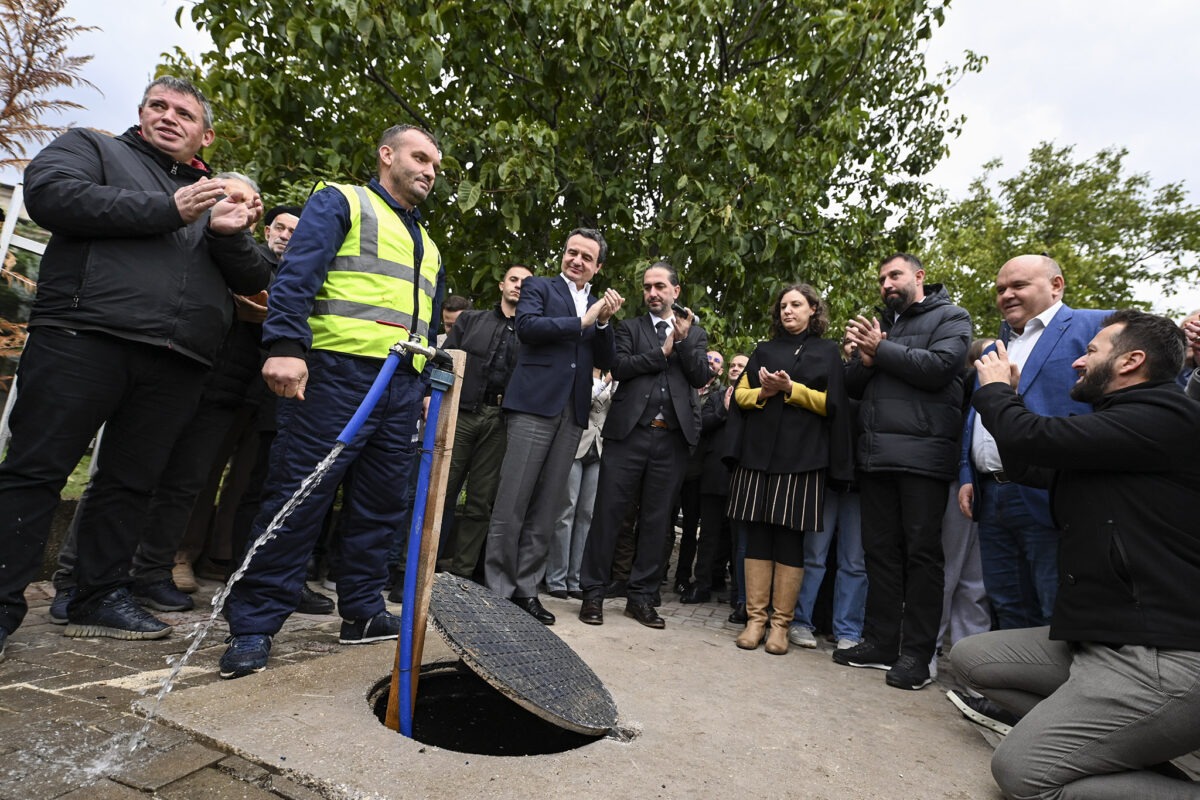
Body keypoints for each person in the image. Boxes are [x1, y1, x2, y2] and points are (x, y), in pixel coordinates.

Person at [0, 76, 269, 651]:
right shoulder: (93, 148)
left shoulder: (210, 194)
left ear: (206, 136)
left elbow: (252, 278)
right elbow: (52, 196)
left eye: (185, 114)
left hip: (178, 358)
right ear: (142, 113)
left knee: (130, 484)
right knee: (35, 470)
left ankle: (96, 596)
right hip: (84, 335)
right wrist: (169, 209)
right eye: (158, 106)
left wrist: (226, 235)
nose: (169, 117)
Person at [219, 124, 446, 678]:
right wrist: (286, 345)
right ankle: (253, 623)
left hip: (402, 385)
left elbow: (429, 323)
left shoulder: (429, 243)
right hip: (336, 375)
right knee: (299, 496)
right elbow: (297, 275)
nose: (430, 171)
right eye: (420, 158)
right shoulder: (342, 202)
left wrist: (422, 389)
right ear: (386, 154)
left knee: (380, 505)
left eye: (436, 166)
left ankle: (362, 612)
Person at [950, 310, 1200, 799]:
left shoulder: (1168, 418)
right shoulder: (1120, 427)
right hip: (1103, 640)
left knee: (1022, 776)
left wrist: (996, 391)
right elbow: (1031, 464)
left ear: (1131, 361)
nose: (1077, 362)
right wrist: (1009, 400)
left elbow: (1034, 437)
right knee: (973, 659)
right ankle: (1119, 751)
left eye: (1090, 351)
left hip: (1163, 657)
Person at [835, 253, 971, 689]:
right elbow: (851, 388)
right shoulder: (881, 326)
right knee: (879, 554)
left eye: (894, 275)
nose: (886, 284)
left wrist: (881, 350)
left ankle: (917, 653)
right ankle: (880, 642)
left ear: (919, 276)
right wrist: (863, 361)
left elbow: (940, 368)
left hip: (923, 458)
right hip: (876, 457)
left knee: (922, 558)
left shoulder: (952, 317)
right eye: (881, 279)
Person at [957, 255, 1110, 629]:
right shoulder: (996, 347)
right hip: (990, 494)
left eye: (1018, 285)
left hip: (1052, 493)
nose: (1006, 295)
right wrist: (967, 472)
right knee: (1006, 604)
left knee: (1054, 607)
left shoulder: (1096, 327)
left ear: (1056, 285)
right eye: (1000, 289)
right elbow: (976, 415)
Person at [483, 230, 623, 625]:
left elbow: (608, 359)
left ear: (598, 267)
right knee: (512, 502)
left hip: (573, 413)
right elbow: (528, 328)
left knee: (547, 508)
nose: (576, 260)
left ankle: (527, 590)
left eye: (586, 257)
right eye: (571, 252)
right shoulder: (539, 287)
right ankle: (498, 592)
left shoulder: (597, 305)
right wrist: (582, 321)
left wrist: (602, 324)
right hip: (533, 404)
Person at [577, 262, 710, 628]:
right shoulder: (630, 328)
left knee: (657, 520)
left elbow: (700, 375)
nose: (652, 292)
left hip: (672, 440)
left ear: (675, 292)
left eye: (660, 286)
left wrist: (681, 342)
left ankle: (641, 597)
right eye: (647, 287)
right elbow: (618, 367)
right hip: (628, 435)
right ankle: (593, 593)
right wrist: (662, 353)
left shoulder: (695, 334)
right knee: (608, 514)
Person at [724, 284, 852, 654]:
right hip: (757, 456)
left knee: (790, 541)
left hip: (803, 458)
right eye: (783, 305)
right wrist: (764, 393)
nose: (788, 311)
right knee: (757, 537)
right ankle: (755, 621)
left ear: (813, 309)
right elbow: (740, 395)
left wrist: (791, 388)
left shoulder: (827, 352)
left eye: (796, 304)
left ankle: (780, 626)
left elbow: (833, 405)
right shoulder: (764, 349)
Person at [441, 265, 533, 580]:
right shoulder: (470, 320)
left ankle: (462, 575)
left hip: (500, 421)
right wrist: (431, 398)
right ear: (501, 285)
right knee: (441, 492)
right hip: (462, 413)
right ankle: (412, 570)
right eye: (513, 279)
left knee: (480, 502)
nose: (518, 285)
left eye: (525, 282)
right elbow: (444, 360)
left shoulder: (532, 333)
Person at [788, 338, 867, 652]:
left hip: (861, 482)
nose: (853, 347)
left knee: (854, 561)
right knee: (813, 555)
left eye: (859, 342)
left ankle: (848, 630)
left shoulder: (878, 380)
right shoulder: (831, 376)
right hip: (828, 477)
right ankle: (800, 621)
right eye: (849, 342)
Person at [544, 368, 615, 598]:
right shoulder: (581, 368)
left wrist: (615, 381)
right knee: (567, 509)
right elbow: (582, 401)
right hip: (576, 445)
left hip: (600, 448)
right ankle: (556, 578)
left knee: (587, 514)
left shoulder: (615, 374)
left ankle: (575, 580)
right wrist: (606, 381)